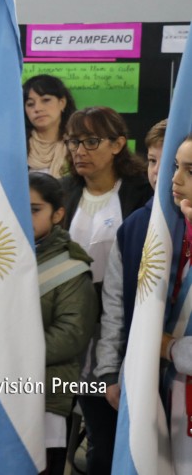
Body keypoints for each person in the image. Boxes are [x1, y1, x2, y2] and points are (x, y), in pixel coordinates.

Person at [61, 106, 151, 475]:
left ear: (117, 144)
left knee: (112, 435)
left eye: (91, 141)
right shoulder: (63, 192)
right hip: (70, 327)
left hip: (122, 326)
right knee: (85, 432)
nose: (79, 150)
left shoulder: (141, 193)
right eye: (73, 141)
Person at [95, 120, 174, 411]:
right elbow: (114, 303)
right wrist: (109, 370)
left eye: (171, 163)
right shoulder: (133, 227)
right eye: (153, 160)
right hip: (141, 368)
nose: (158, 171)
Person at [28, 172, 98, 475]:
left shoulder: (71, 267)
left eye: (34, 209)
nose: (23, 214)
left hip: (45, 393)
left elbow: (71, 335)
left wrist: (11, 352)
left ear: (58, 214)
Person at [161, 135, 192, 471]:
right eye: (176, 166)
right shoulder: (178, 233)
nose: (175, 179)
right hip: (176, 394)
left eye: (191, 169)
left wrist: (169, 348)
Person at [23, 75, 77, 178]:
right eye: (30, 104)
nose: (37, 108)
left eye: (46, 100)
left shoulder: (78, 144)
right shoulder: (17, 147)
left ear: (62, 103)